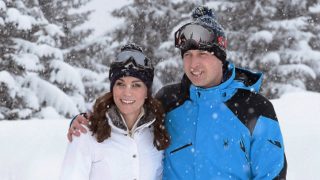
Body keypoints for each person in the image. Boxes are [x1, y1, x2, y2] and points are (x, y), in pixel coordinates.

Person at [68, 6, 287, 179]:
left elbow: (272, 174)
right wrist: (83, 121)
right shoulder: (169, 100)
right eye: (187, 55)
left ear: (220, 57)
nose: (194, 64)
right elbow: (127, 111)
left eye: (203, 54)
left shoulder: (255, 108)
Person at [60, 43, 170, 180]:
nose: (127, 92)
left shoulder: (157, 131)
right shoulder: (86, 132)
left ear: (147, 92)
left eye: (136, 85)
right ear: (112, 88)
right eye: (120, 84)